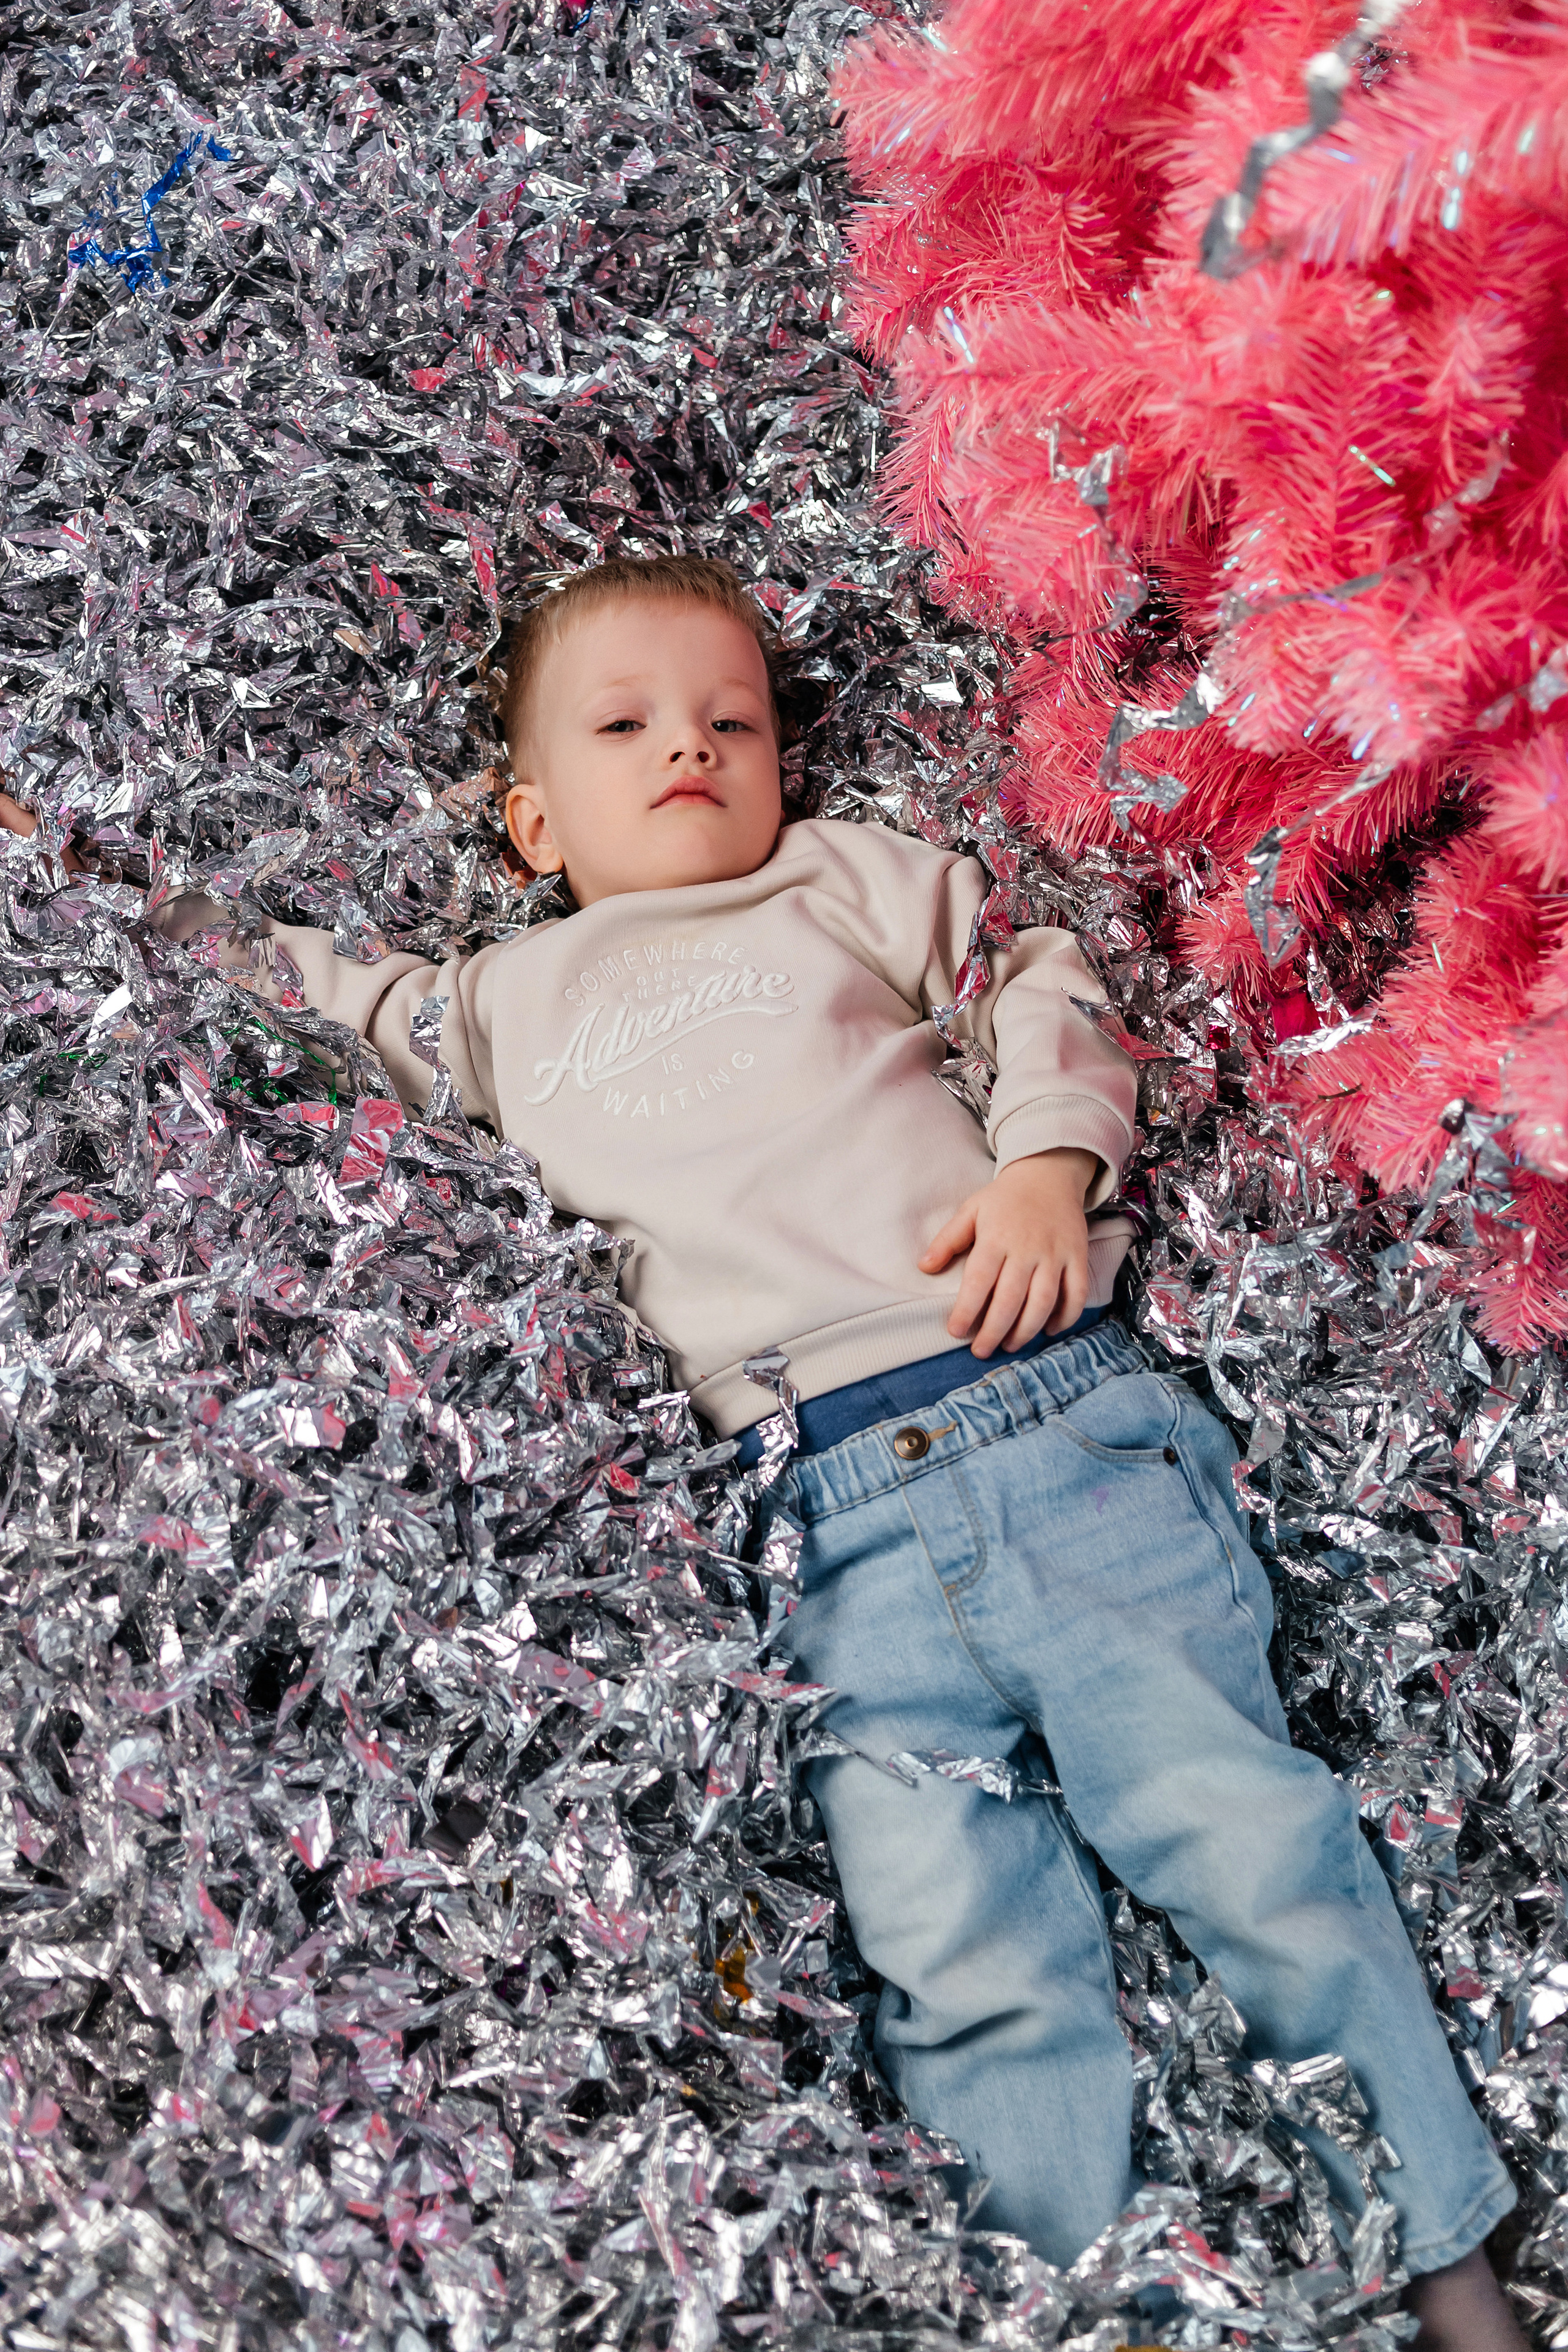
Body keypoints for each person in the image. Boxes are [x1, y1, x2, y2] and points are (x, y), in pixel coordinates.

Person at [0, 556, 1523, 2348]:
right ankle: (1082, 2304)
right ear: (532, 817)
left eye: (734, 720)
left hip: (1043, 1410)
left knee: (1251, 1843)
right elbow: (285, 984)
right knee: (954, 1958)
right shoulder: (496, 1004)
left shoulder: (842, 881)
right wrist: (69, 868)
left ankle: (1453, 2277)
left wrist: (1048, 1160)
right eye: (628, 726)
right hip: (817, 1532)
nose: (693, 750)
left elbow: (1036, 978)